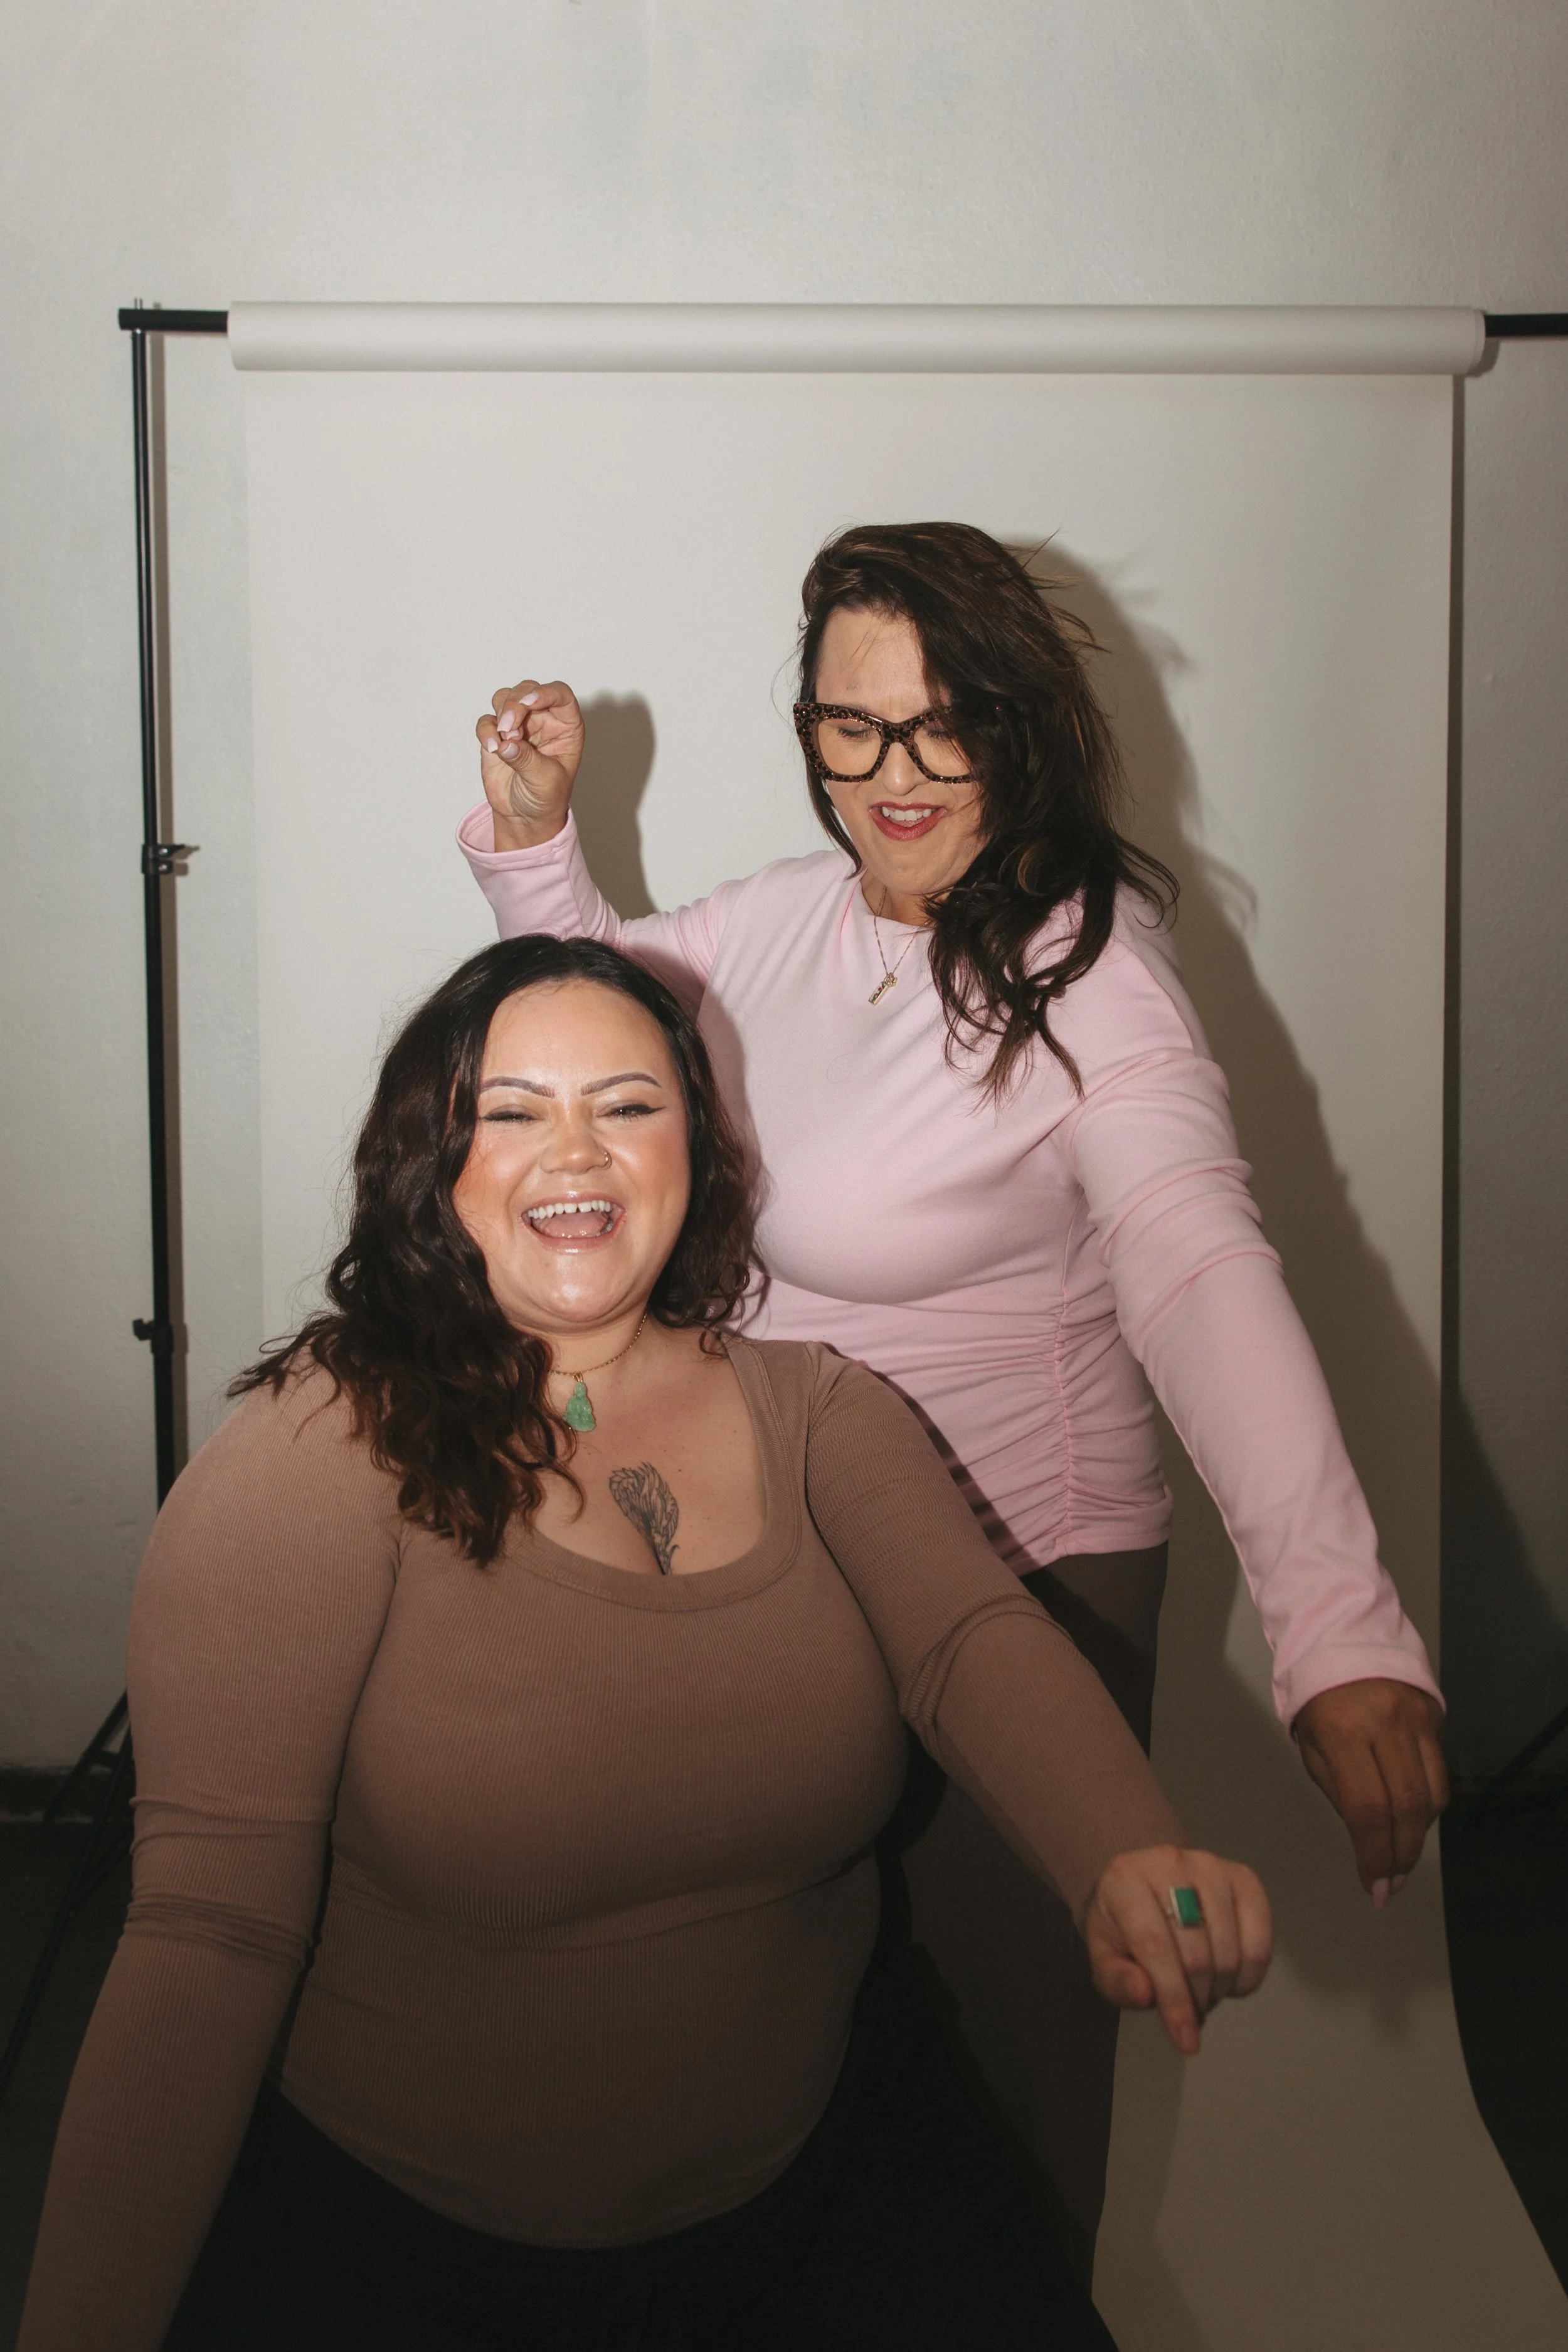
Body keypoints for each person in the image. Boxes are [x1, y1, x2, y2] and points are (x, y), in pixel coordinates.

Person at [19, 935, 1270, 2352]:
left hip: (832, 2193)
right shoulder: (313, 1457)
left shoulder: (821, 1410)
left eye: (627, 1105)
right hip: (407, 2262)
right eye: (512, 1111)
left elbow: (968, 1641)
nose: (579, 1153)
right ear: (430, 1162)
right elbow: (206, 1933)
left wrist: (1123, 1850)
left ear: (699, 1146)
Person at [457, 520, 1448, 2269]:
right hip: (802, 1563)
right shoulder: (779, 921)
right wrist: (539, 845)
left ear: (1018, 723)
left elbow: (1200, 1270)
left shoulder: (1090, 982)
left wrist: (1337, 1619)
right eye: (850, 725)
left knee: (997, 2104)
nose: (892, 774)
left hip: (1018, 1578)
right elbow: (610, 1017)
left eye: (941, 724)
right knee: (790, 2044)